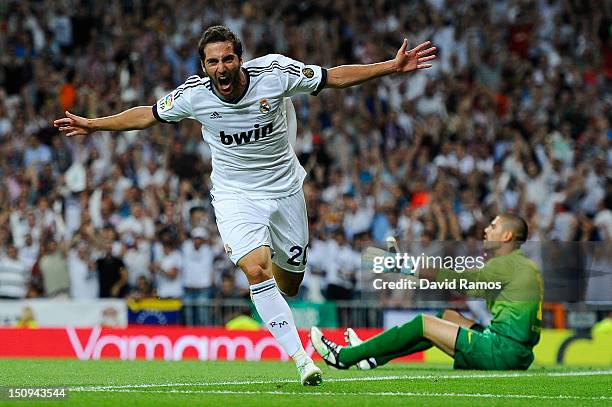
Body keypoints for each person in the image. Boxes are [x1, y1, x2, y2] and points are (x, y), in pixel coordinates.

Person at [54, 25, 436, 385]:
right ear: (203, 66)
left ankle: (287, 287)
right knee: (256, 269)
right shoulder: (194, 95)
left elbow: (333, 76)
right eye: (213, 62)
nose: (221, 68)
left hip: (285, 190)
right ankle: (302, 359)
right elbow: (147, 115)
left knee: (290, 282)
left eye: (227, 59)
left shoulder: (275, 72)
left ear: (240, 58)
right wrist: (95, 124)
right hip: (235, 194)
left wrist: (391, 66)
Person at [311, 213, 544, 371]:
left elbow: (457, 280)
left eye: (493, 226)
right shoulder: (524, 265)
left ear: (507, 236)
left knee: (424, 323)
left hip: (502, 351)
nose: (485, 230)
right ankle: (372, 358)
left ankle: (343, 357)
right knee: (447, 316)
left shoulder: (506, 265)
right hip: (518, 352)